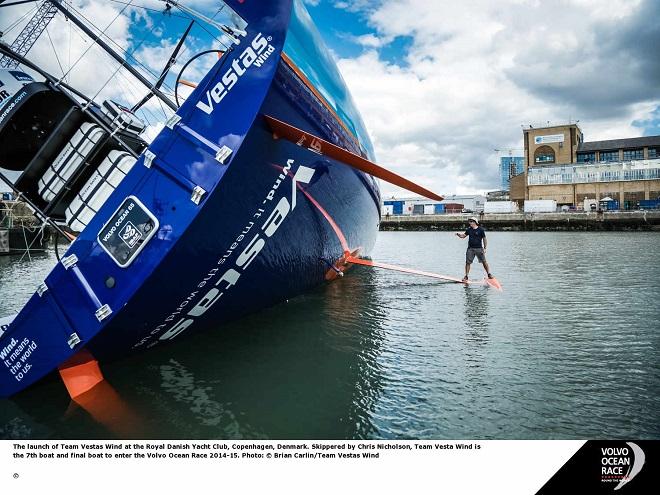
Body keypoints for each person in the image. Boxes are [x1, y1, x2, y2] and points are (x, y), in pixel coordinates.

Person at [455, 217, 494, 282]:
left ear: (475, 222)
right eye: (469, 221)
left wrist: (485, 248)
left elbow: (484, 239)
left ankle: (489, 274)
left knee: (484, 262)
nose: (469, 223)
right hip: (470, 249)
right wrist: (458, 234)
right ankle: (466, 276)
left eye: (471, 221)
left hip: (479, 249)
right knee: (468, 263)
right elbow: (463, 236)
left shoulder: (481, 230)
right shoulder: (469, 230)